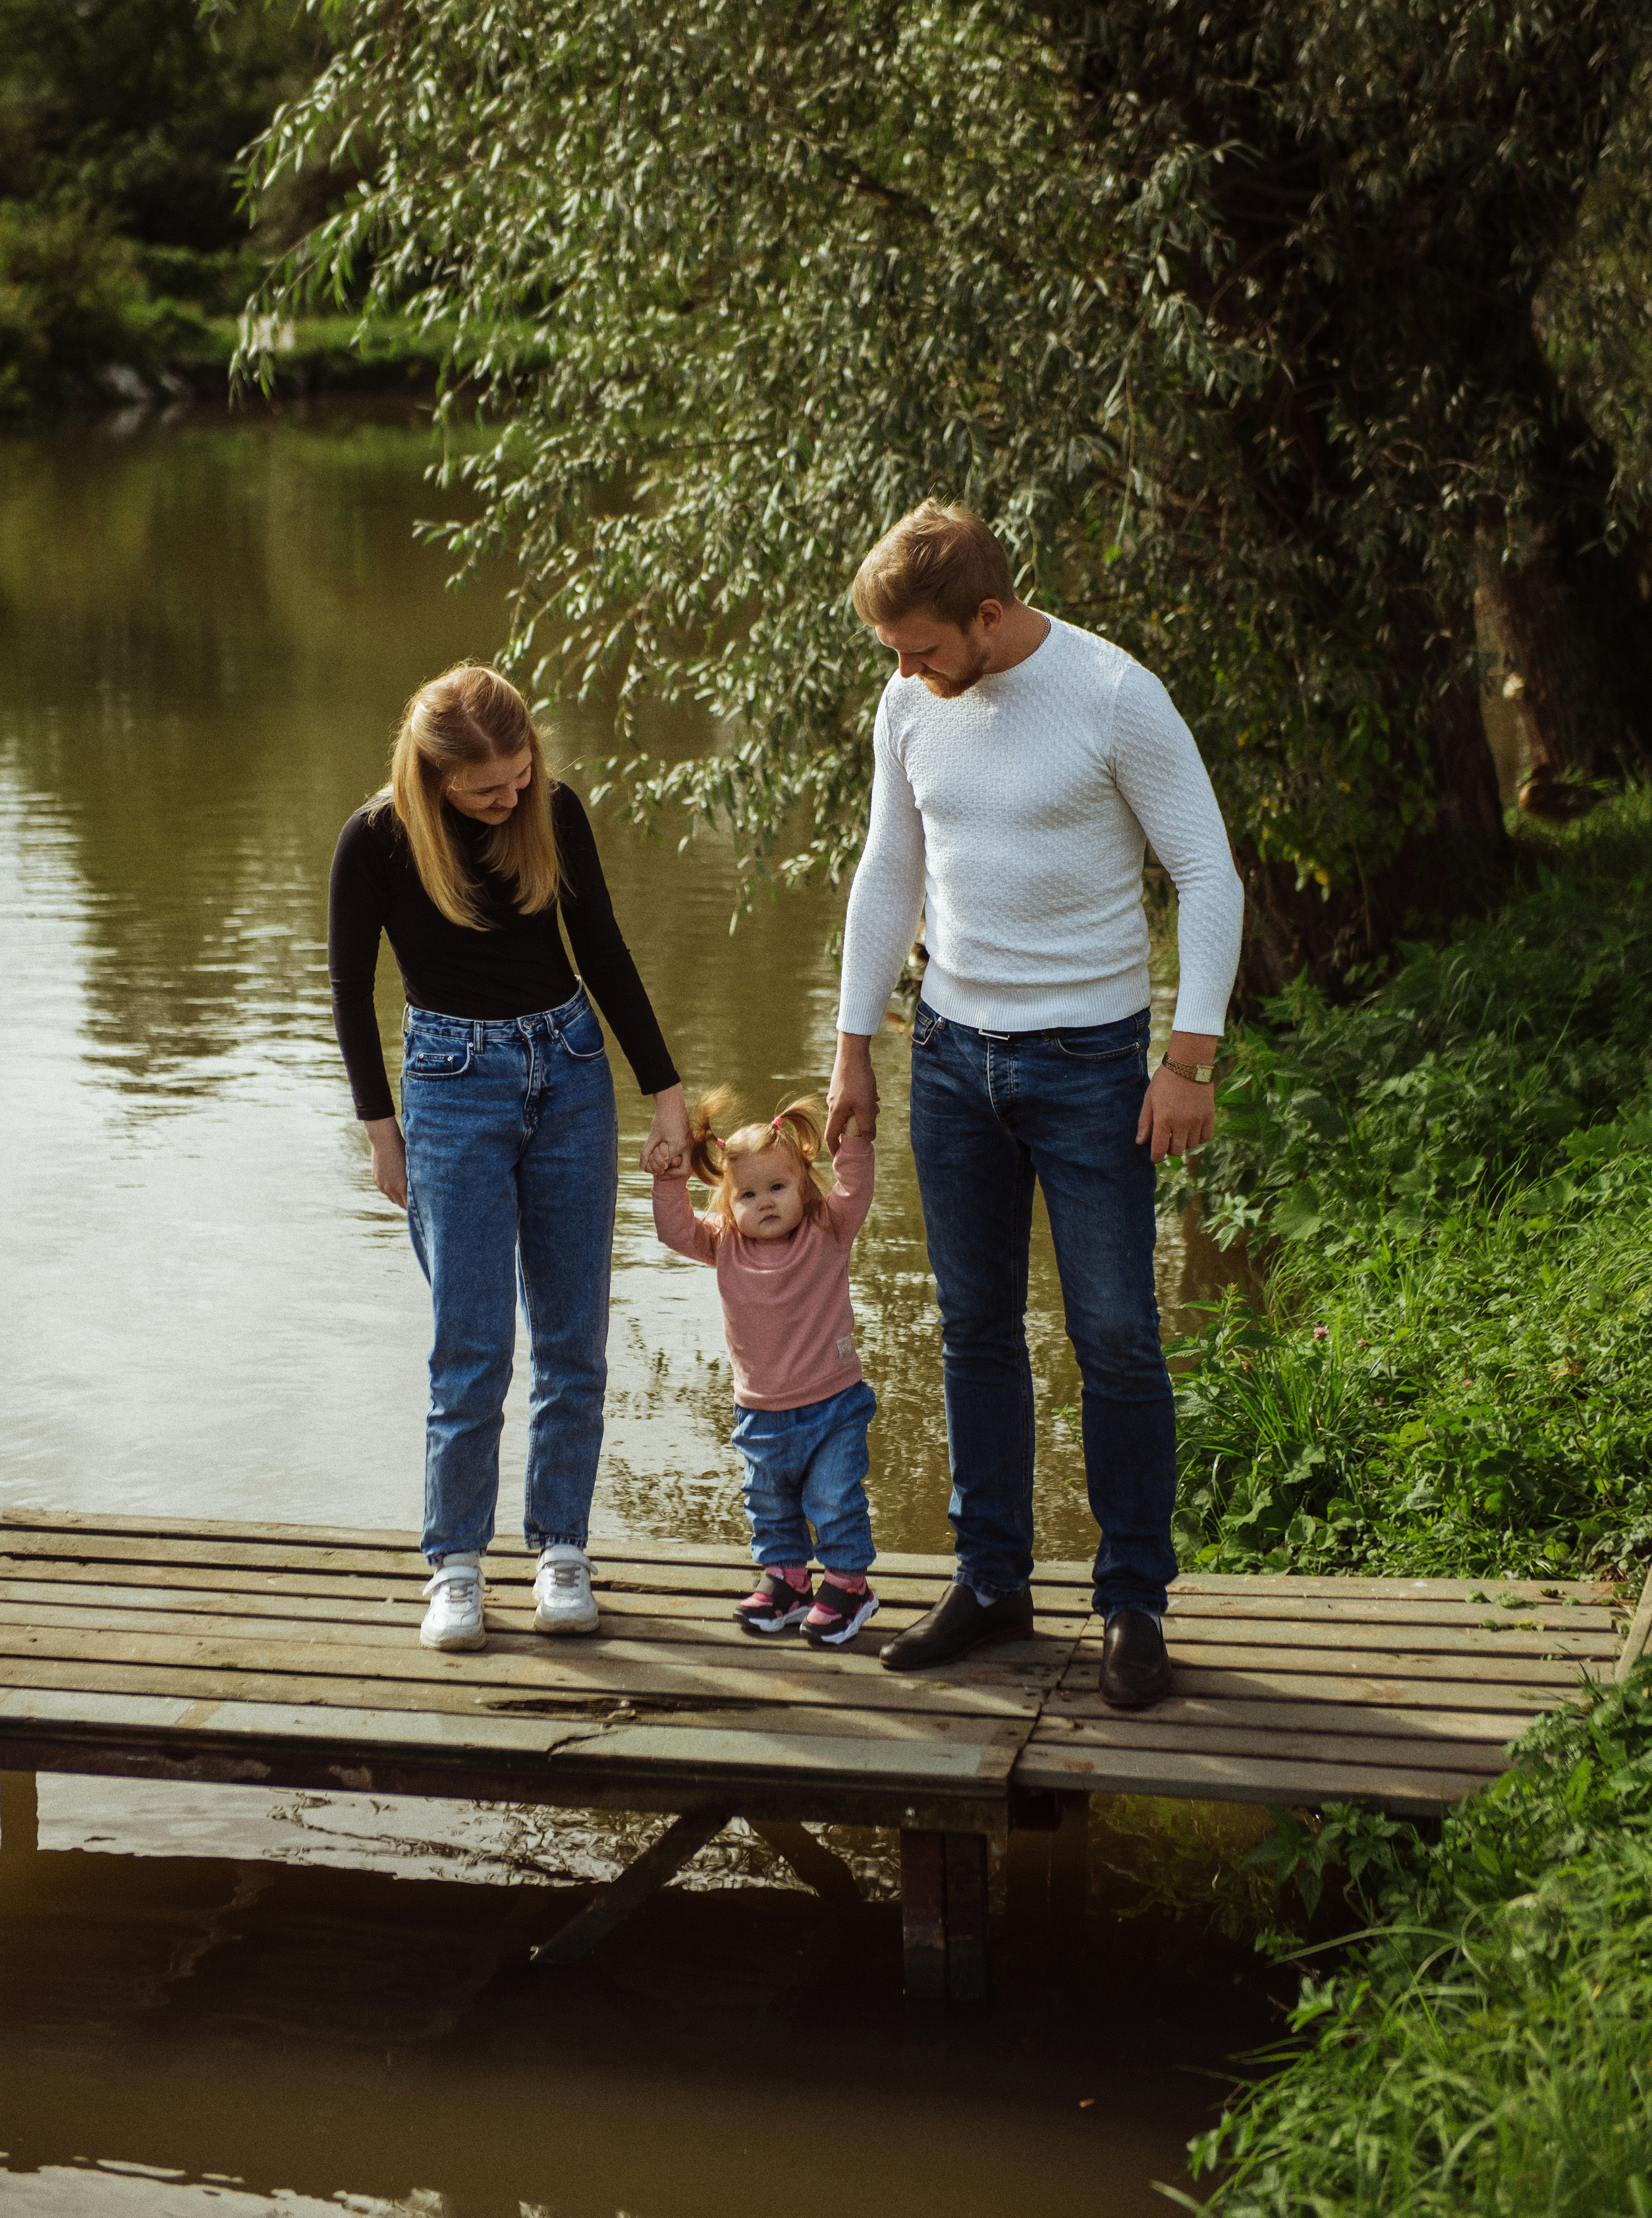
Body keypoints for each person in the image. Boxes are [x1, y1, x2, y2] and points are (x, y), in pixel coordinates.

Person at [826, 502, 1243, 1705]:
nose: (906, 670)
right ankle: (992, 1579)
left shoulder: (1113, 694)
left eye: (922, 647)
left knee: (1115, 1335)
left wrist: (1190, 1060)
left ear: (990, 615)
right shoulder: (908, 703)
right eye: (894, 652)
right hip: (951, 1058)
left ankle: (1133, 1601)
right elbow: (888, 869)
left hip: (1092, 1066)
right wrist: (853, 1050)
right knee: (974, 1328)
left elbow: (1207, 871)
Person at [327, 662, 691, 1651]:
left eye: (520, 773)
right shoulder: (375, 840)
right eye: (485, 788)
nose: (510, 796)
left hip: (570, 1072)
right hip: (451, 1089)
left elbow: (603, 947)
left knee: (573, 1340)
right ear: (434, 776)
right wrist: (382, 1130)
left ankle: (561, 1549)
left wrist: (664, 1089)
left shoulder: (553, 809)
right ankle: (455, 1565)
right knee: (472, 1346)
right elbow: (350, 990)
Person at [649, 1091, 879, 1649]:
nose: (766, 1202)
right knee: (769, 1501)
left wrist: (854, 1139)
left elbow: (854, 1188)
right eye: (748, 1194)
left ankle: (849, 1585)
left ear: (804, 1186)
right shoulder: (724, 1242)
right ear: (730, 1204)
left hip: (834, 1404)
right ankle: (787, 1580)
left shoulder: (827, 1230)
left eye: (778, 1187)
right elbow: (675, 1230)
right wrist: (670, 1180)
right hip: (760, 1411)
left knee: (833, 1498)